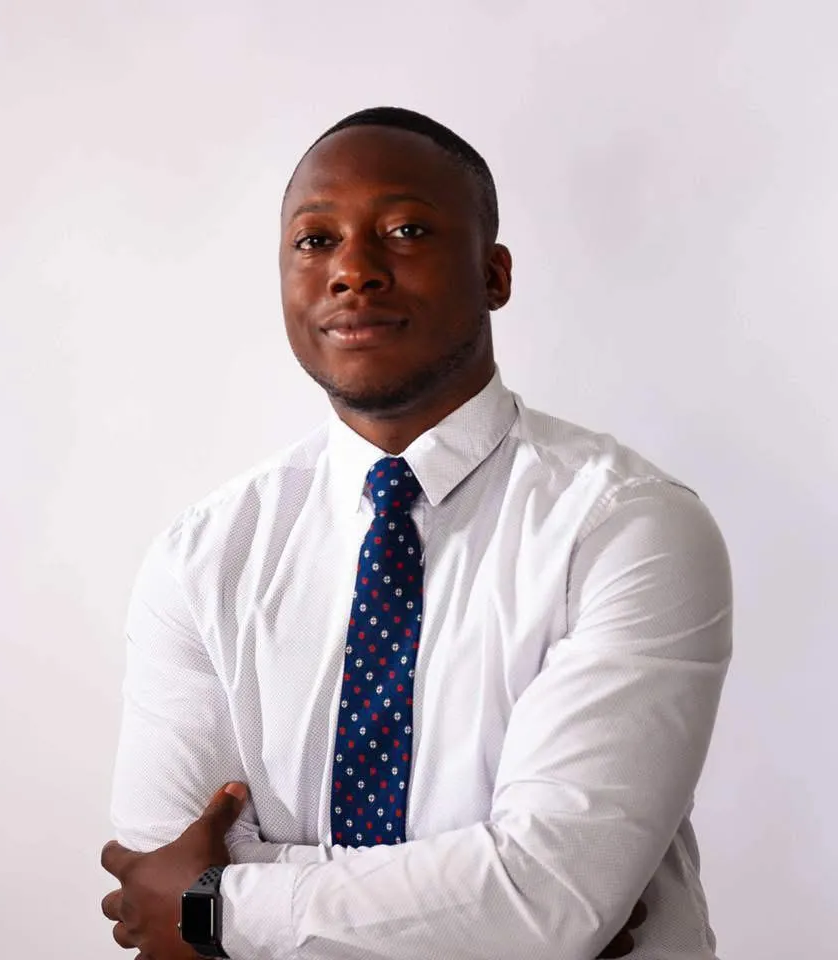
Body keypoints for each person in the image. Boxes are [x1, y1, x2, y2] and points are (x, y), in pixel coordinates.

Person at [100, 106, 733, 960]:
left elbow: (547, 897)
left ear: (494, 275)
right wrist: (481, 905)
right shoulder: (205, 558)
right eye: (315, 241)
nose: (353, 270)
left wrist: (217, 912)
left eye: (405, 231)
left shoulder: (626, 528)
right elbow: (156, 870)